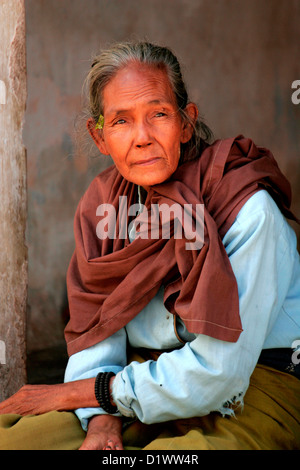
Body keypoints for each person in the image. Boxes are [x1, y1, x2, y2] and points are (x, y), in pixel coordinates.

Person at [0, 41, 299, 451]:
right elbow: (98, 328)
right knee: (18, 441)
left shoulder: (247, 209)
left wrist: (81, 394)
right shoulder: (102, 208)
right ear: (99, 135)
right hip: (137, 381)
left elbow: (220, 373)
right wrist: (101, 420)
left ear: (186, 122)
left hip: (253, 385)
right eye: (121, 121)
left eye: (158, 114)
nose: (142, 137)